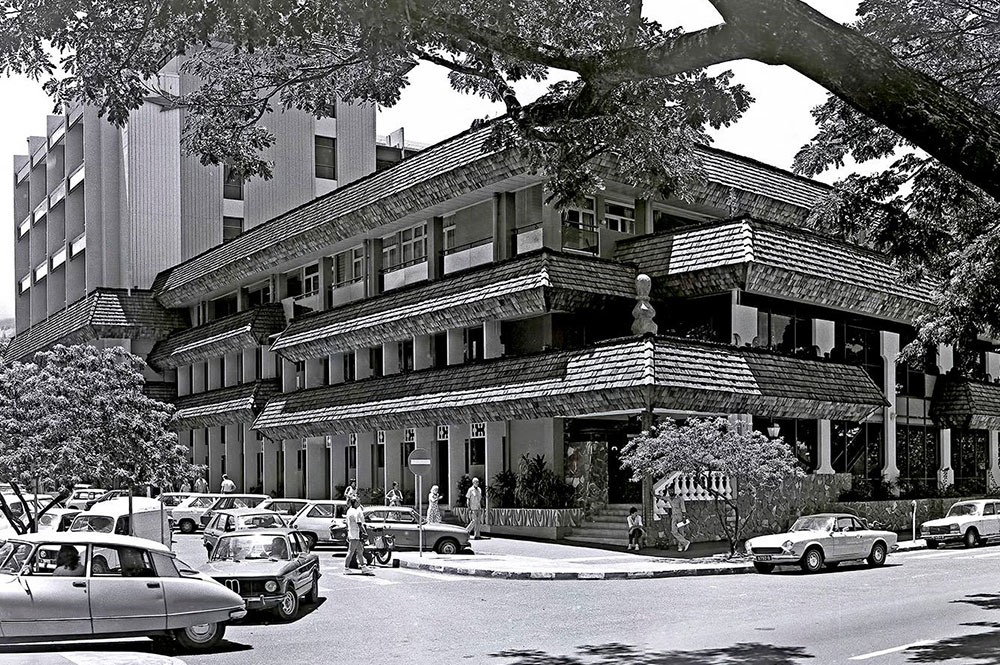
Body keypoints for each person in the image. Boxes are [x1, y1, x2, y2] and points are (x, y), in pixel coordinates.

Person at [344, 498, 372, 575]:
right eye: (358, 501)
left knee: (360, 550)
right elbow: (359, 523)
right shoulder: (355, 511)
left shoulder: (349, 510)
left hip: (353, 534)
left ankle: (363, 567)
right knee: (351, 552)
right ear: (355, 503)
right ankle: (346, 568)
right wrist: (364, 532)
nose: (359, 502)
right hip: (354, 534)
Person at [667, 485, 691, 552]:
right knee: (674, 531)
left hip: (680, 516)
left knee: (681, 532)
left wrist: (684, 517)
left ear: (674, 490)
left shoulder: (680, 498)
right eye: (669, 491)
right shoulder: (669, 498)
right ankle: (686, 542)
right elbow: (662, 497)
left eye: (671, 490)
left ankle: (680, 546)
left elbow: (683, 509)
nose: (670, 492)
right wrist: (654, 495)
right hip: (674, 516)